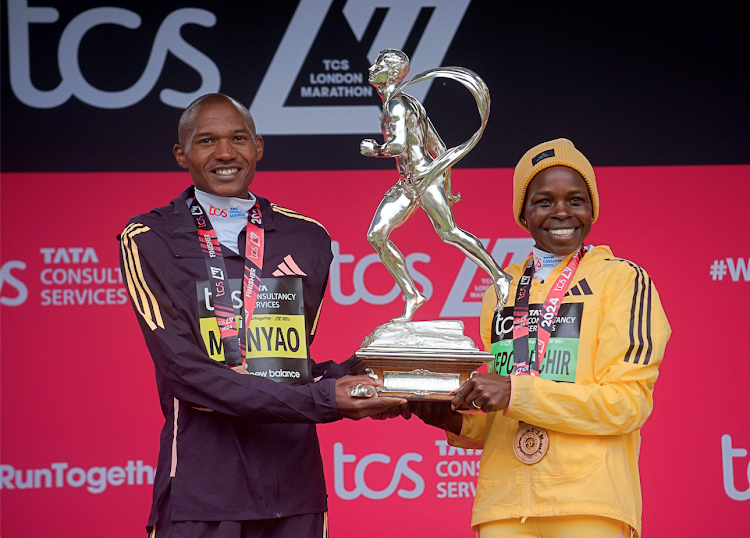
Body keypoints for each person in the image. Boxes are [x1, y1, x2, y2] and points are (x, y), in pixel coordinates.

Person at [119, 93, 405, 538]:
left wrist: (367, 373)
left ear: (259, 146)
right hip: (202, 492)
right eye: (206, 141)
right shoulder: (149, 236)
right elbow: (184, 372)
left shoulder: (308, 237)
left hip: (294, 489)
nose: (226, 153)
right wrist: (327, 400)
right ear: (182, 154)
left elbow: (287, 369)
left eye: (238, 138)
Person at [412, 138, 670, 537]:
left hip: (588, 500)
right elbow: (503, 413)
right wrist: (453, 419)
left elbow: (627, 404)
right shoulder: (500, 291)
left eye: (576, 200)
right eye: (544, 201)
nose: (562, 211)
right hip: (504, 505)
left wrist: (517, 392)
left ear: (592, 208)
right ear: (524, 213)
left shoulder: (622, 280)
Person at [360, 49, 510, 322]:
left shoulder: (397, 106)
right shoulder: (411, 104)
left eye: (379, 64)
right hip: (410, 183)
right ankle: (412, 295)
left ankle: (500, 276)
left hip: (423, 180)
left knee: (449, 232)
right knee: (376, 235)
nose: (372, 67)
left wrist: (374, 150)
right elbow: (438, 147)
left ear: (391, 73)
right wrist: (448, 186)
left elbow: (396, 146)